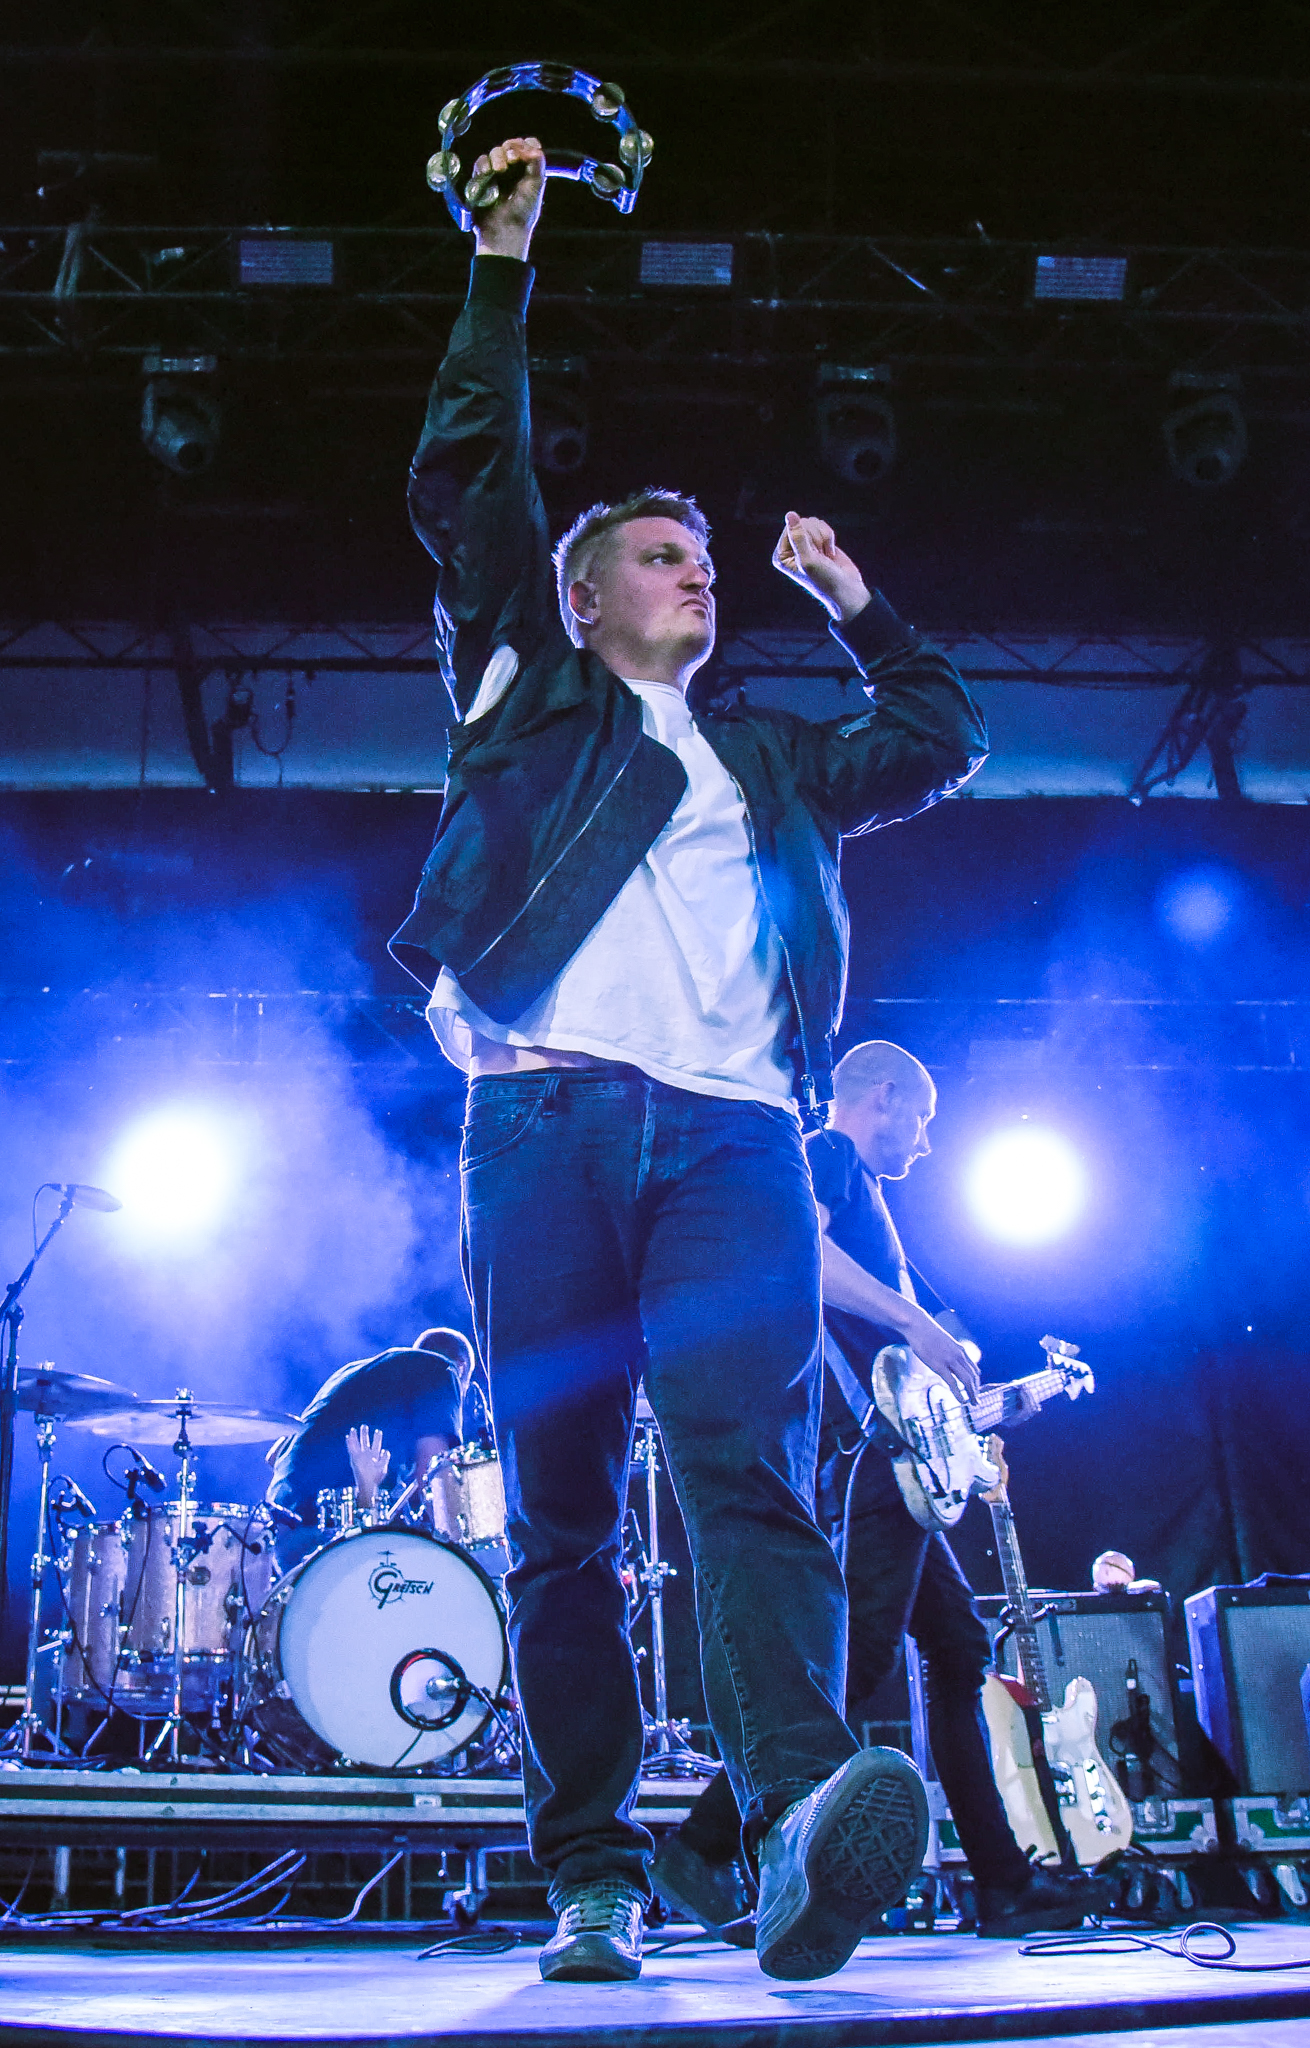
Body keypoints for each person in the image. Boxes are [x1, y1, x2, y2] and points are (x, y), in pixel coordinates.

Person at [389, 135, 989, 1984]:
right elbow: (472, 471)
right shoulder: (529, 686)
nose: (697, 575)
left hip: (736, 1142)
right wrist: (502, 263)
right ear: (580, 598)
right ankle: (590, 1869)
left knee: (753, 1471)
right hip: (544, 1122)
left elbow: (942, 734)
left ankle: (798, 1817)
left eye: (708, 560)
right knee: (562, 1511)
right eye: (660, 558)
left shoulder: (775, 766)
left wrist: (853, 601)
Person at [652, 1041, 1113, 1939]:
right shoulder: (827, 1154)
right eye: (924, 1119)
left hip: (905, 1461)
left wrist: (988, 1418)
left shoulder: (878, 1212)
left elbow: (924, 1371)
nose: (927, 1142)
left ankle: (1003, 1884)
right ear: (886, 1096)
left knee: (958, 1647)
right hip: (873, 1460)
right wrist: (911, 1322)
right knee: (859, 1658)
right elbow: (799, 1252)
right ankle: (701, 1847)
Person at [265, 1327, 474, 1569]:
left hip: (278, 1524)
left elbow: (275, 1456)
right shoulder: (441, 1369)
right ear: (461, 1367)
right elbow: (434, 1481)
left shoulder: (353, 1373)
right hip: (327, 1529)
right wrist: (459, 1550)